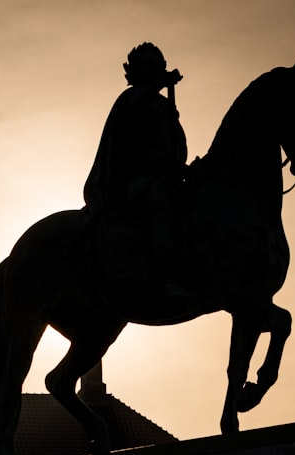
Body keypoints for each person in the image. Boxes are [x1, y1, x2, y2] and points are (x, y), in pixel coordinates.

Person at [82, 42, 189, 293]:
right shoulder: (131, 98)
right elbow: (131, 114)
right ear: (135, 70)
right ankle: (167, 274)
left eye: (156, 62)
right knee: (159, 199)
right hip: (136, 181)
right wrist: (158, 85)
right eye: (146, 63)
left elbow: (174, 143)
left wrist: (180, 165)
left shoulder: (164, 107)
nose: (153, 67)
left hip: (166, 175)